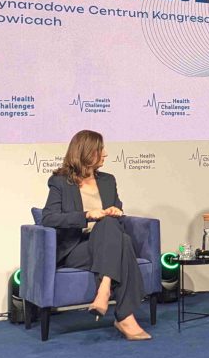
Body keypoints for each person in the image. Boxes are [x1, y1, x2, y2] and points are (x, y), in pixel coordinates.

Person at [42, 130, 150, 340]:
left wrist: (115, 211)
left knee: (110, 224)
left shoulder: (108, 180)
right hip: (77, 247)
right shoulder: (60, 181)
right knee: (123, 242)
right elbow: (48, 218)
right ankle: (124, 316)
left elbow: (117, 209)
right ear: (86, 152)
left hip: (106, 242)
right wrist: (86, 215)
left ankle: (105, 288)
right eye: (100, 149)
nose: (105, 153)